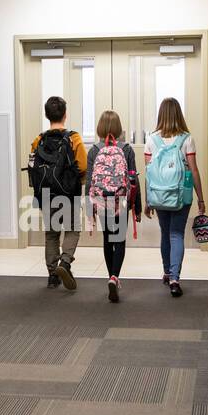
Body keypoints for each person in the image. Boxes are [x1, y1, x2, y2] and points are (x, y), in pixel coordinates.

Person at [143, 97, 206, 297]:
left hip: (159, 195)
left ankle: (167, 271)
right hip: (181, 194)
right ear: (179, 114)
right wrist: (201, 199)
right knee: (176, 234)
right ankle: (174, 279)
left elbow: (148, 173)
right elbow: (194, 171)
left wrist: (148, 200)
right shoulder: (187, 138)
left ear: (161, 114)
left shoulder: (151, 140)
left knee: (165, 232)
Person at [28, 95, 87, 290]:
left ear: (46, 115)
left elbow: (32, 167)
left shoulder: (38, 140)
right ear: (65, 115)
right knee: (72, 229)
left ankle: (53, 276)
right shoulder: (74, 138)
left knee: (52, 234)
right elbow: (83, 165)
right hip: (69, 193)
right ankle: (65, 263)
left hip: (46, 193)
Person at [86, 110, 142, 303]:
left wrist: (89, 209)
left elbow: (89, 182)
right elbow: (133, 179)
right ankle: (115, 277)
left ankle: (111, 276)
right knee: (119, 239)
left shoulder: (94, 150)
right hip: (122, 199)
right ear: (118, 128)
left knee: (108, 239)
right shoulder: (126, 149)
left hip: (102, 200)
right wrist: (138, 206)